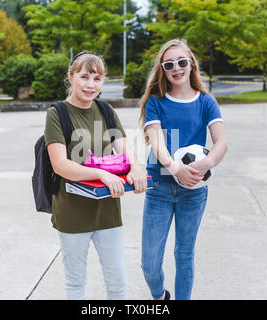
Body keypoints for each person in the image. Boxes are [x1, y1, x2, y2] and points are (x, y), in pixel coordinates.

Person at [45, 51, 148, 300]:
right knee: (76, 282)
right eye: (84, 77)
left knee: (117, 282)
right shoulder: (57, 114)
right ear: (70, 77)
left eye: (97, 78)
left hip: (108, 211)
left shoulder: (106, 110)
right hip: (72, 212)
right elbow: (60, 165)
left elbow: (125, 149)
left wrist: (135, 167)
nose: (91, 85)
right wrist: (101, 174)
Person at [139, 39, 228, 300]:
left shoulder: (206, 102)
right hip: (160, 187)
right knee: (149, 263)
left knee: (184, 255)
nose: (176, 68)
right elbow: (156, 142)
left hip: (193, 190)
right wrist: (174, 167)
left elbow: (221, 143)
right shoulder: (156, 102)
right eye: (169, 65)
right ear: (163, 70)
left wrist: (206, 163)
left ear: (191, 64)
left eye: (181, 62)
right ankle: (159, 296)